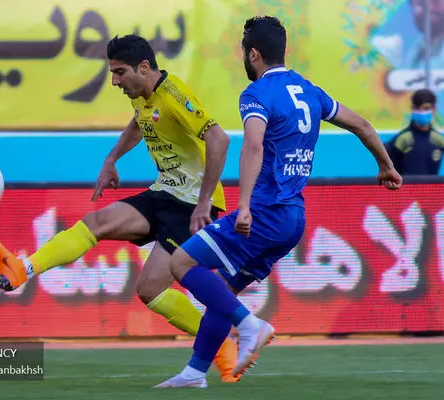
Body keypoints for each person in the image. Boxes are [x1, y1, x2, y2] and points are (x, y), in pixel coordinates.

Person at [154, 15, 403, 389]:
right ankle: (194, 373)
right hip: (293, 219)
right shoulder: (310, 91)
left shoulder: (256, 94)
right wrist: (386, 166)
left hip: (264, 212)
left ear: (253, 54)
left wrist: (244, 206)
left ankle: (249, 325)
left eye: (244, 51)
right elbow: (362, 125)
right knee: (223, 291)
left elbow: (253, 146)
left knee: (181, 261)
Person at [0, 34, 242, 381]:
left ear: (144, 67)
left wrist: (205, 200)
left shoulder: (174, 95)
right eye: (112, 73)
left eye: (119, 72)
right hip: (165, 193)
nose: (114, 82)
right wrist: (111, 159)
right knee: (97, 222)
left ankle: (221, 343)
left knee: (149, 290)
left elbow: (219, 138)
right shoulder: (143, 96)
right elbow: (140, 123)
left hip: (192, 206)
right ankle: (21, 268)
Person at [386, 88, 444, 175]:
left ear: (434, 109)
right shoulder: (402, 139)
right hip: (405, 184)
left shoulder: (439, 140)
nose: (421, 112)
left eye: (426, 108)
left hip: (432, 184)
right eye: (417, 108)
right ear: (412, 109)